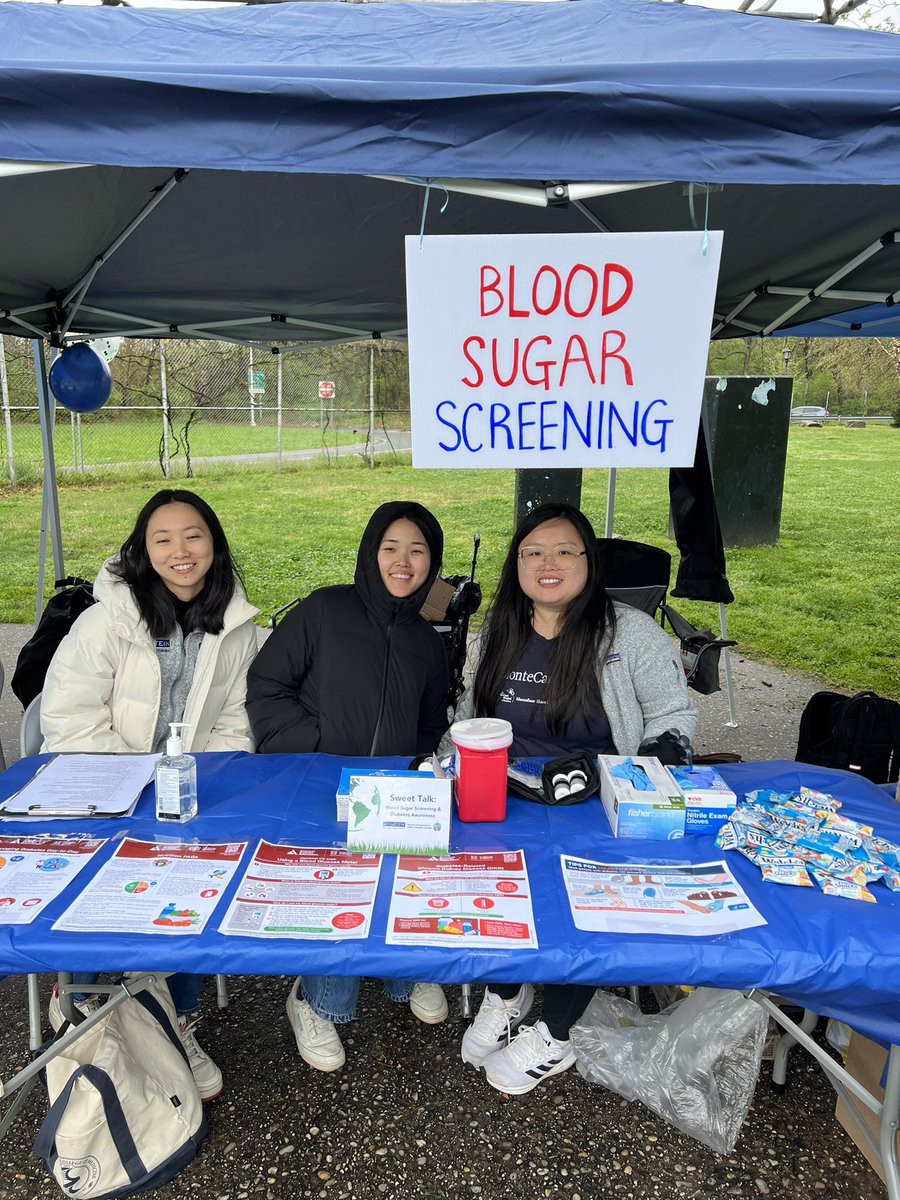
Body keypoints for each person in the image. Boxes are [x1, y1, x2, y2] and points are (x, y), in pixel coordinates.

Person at [450, 502, 697, 1095]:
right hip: (505, 793)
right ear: (517, 565)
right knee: (491, 887)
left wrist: (657, 756)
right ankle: (508, 992)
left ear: (589, 561)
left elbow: (674, 715)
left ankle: (556, 1030)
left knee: (584, 910)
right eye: (532, 552)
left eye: (564, 551)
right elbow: (466, 715)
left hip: (593, 797)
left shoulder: (628, 634)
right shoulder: (500, 630)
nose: (548, 564)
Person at [41, 488, 259, 1101]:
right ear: (143, 549)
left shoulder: (237, 625)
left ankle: (174, 1020)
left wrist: (195, 779)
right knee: (90, 887)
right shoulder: (105, 620)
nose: (179, 551)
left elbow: (234, 719)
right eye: (162, 539)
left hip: (187, 788)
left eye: (193, 535)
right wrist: (138, 781)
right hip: (102, 785)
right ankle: (82, 1007)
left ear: (213, 544)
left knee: (200, 875)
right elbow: (69, 721)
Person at [247, 500, 451, 1072]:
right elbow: (267, 685)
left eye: (418, 550)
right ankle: (316, 1002)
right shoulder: (323, 611)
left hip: (394, 795)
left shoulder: (426, 639)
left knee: (406, 878)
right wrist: (312, 746)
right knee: (337, 889)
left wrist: (419, 771)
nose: (403, 561)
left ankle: (403, 976)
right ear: (370, 552)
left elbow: (433, 720)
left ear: (432, 562)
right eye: (391, 548)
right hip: (321, 783)